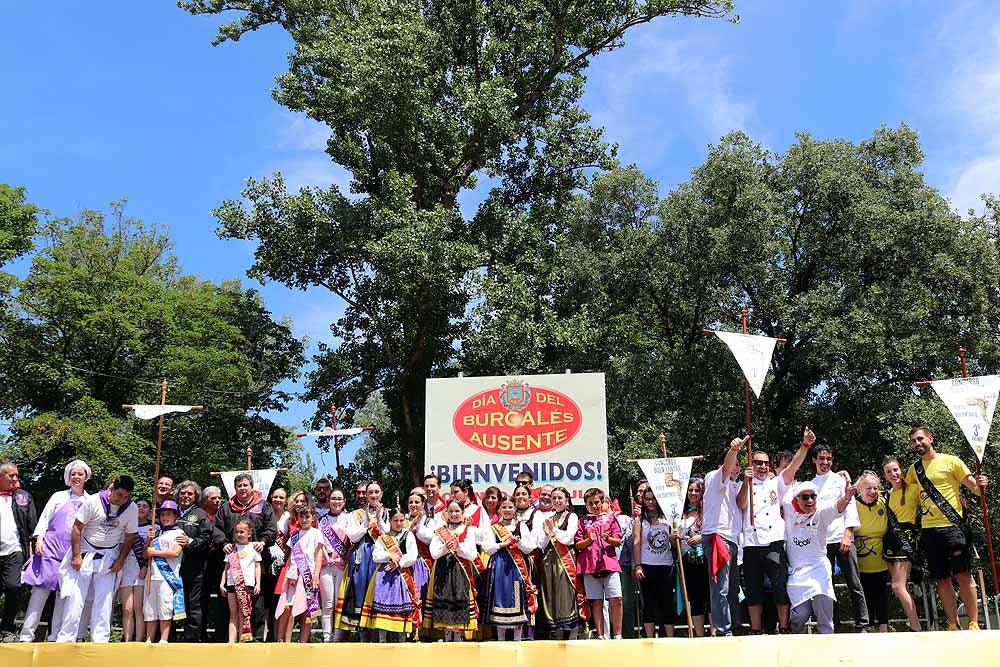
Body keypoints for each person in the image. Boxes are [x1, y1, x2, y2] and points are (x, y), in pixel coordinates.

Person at [906, 426, 988, 630]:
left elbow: (976, 490)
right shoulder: (913, 470)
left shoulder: (951, 461)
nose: (917, 443)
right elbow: (903, 495)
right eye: (914, 441)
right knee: (941, 579)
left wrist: (982, 484)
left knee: (963, 575)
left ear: (930, 438)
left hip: (953, 527)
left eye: (920, 439)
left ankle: (974, 622)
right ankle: (953, 623)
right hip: (928, 530)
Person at [778, 427, 857, 634]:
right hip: (797, 573)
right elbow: (792, 469)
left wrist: (847, 497)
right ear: (795, 499)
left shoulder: (820, 513)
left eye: (813, 497)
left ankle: (828, 647)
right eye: (805, 497)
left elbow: (837, 508)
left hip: (819, 568)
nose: (810, 501)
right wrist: (805, 446)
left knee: (825, 614)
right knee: (800, 616)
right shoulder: (787, 506)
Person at [56, 475, 138, 643]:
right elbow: (77, 528)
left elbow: (130, 536)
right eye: (119, 495)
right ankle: (66, 638)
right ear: (112, 488)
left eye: (126, 497)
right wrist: (76, 555)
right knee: (75, 599)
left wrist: (121, 560)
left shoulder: (131, 508)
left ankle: (100, 639)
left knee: (105, 599)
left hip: (109, 556)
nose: (121, 500)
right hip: (85, 553)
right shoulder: (93, 501)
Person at [19, 460, 89, 643]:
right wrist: (39, 539)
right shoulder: (58, 497)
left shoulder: (90, 501)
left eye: (80, 474)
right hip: (49, 550)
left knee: (63, 595)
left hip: (72, 553)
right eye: (73, 474)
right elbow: (44, 518)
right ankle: (26, 636)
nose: (76, 477)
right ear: (68, 476)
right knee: (40, 592)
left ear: (86, 477)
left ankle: (55, 637)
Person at [809, 442, 868, 632]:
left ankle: (863, 625)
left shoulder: (841, 480)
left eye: (828, 459)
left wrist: (848, 534)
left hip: (843, 537)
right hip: (822, 543)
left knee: (854, 583)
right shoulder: (810, 485)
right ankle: (834, 625)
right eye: (821, 459)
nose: (825, 462)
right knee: (828, 587)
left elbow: (850, 507)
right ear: (814, 460)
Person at [215, 473, 277, 641]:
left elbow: (272, 529)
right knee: (230, 609)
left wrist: (263, 542)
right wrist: (223, 543)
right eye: (239, 486)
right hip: (233, 563)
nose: (242, 488)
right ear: (235, 489)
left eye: (245, 485)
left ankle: (254, 640)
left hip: (256, 563)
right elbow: (217, 529)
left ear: (252, 487)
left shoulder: (264, 506)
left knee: (256, 605)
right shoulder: (226, 507)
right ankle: (230, 642)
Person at [737, 449, 790, 634]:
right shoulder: (743, 484)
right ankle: (755, 628)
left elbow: (793, 468)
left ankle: (784, 626)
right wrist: (746, 482)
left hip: (774, 541)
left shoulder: (775, 483)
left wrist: (805, 446)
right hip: (752, 543)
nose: (763, 466)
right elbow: (741, 504)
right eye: (759, 463)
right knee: (753, 588)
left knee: (780, 585)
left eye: (766, 463)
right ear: (751, 465)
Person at [702, 436, 745, 636]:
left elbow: (742, 504)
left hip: (733, 540)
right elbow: (726, 468)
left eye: (739, 465)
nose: (736, 468)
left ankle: (734, 626)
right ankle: (722, 629)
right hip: (718, 536)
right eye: (734, 463)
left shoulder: (735, 485)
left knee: (733, 587)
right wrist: (733, 450)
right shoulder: (714, 477)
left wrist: (749, 481)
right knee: (722, 587)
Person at [480, 494, 536, 640]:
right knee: (500, 596)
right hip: (499, 565)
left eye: (510, 507)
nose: (507, 510)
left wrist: (518, 544)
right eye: (504, 507)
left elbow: (530, 547)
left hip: (517, 567)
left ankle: (517, 637)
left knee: (517, 595)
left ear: (515, 508)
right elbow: (487, 547)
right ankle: (501, 638)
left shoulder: (521, 526)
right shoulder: (494, 528)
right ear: (499, 509)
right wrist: (502, 544)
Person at [337, 480, 390, 635]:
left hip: (380, 555)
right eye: (370, 492)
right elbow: (352, 536)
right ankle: (363, 636)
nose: (373, 495)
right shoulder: (357, 514)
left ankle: (379, 636)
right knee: (361, 590)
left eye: (376, 492)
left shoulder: (388, 513)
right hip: (363, 554)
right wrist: (367, 522)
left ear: (381, 494)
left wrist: (379, 519)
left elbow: (388, 534)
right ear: (366, 495)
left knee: (379, 592)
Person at [424, 499, 480, 641]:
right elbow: (434, 553)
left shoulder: (469, 530)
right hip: (443, 569)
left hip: (460, 570)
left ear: (462, 512)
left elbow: (472, 554)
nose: (454, 514)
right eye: (451, 511)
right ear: (446, 513)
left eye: (457, 511)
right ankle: (447, 636)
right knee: (444, 597)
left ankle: (458, 636)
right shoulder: (440, 531)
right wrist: (446, 547)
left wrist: (458, 546)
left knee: (460, 597)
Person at [362, 507, 420, 641]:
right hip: (385, 576)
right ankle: (382, 639)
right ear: (390, 521)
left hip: (402, 575)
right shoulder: (384, 538)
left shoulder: (408, 535)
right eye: (395, 520)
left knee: (402, 607)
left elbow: (412, 555)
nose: (398, 523)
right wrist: (389, 555)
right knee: (383, 605)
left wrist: (399, 562)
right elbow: (376, 556)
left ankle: (402, 640)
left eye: (401, 520)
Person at [536, 486, 584, 639]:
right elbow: (541, 544)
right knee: (551, 592)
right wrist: (547, 533)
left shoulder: (572, 516)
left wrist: (553, 531)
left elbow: (568, 538)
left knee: (567, 592)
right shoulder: (548, 518)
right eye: (554, 498)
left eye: (560, 498)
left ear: (566, 500)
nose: (556, 501)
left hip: (565, 557)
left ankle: (572, 630)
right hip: (549, 558)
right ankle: (556, 629)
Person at [575, 489, 622, 639]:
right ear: (586, 505)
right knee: (596, 601)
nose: (594, 506)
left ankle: (618, 635)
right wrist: (589, 540)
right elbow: (578, 545)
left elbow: (618, 540)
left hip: (609, 563)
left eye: (597, 502)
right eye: (590, 503)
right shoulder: (582, 521)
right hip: (590, 565)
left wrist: (608, 539)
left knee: (617, 598)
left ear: (602, 502)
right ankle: (601, 635)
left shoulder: (610, 519)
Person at [881, 457, 922, 631]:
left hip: (906, 537)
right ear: (885, 475)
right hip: (889, 539)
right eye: (889, 472)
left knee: (897, 586)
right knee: (901, 586)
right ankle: (913, 623)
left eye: (895, 470)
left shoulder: (913, 489)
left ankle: (916, 626)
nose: (893, 474)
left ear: (901, 470)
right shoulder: (887, 494)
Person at [276, 502, 325, 642]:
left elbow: (319, 555)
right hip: (294, 575)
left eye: (307, 516)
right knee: (287, 608)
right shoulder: (295, 536)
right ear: (297, 518)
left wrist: (315, 576)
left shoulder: (317, 533)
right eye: (301, 517)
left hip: (309, 575)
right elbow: (291, 556)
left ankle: (303, 641)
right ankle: (283, 640)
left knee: (307, 609)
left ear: (313, 517)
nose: (304, 519)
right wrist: (290, 573)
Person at [0, 462, 36, 643]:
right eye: (11, 475)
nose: (15, 478)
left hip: (15, 550)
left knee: (14, 588)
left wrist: (32, 550)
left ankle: (7, 628)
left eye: (16, 475)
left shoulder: (24, 497)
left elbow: (32, 527)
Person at [632, 487, 675, 637]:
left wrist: (675, 537)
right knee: (648, 603)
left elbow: (673, 542)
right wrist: (637, 565)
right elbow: (636, 542)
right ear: (643, 501)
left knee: (667, 603)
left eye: (653, 498)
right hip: (646, 565)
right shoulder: (639, 519)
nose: (650, 502)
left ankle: (670, 638)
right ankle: (649, 638)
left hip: (666, 565)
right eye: (647, 499)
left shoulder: (667, 517)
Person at [174, 480, 214, 642]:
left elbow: (207, 539)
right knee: (168, 604)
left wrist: (190, 542)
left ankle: (191, 641)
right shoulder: (170, 511)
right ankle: (167, 639)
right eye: (182, 493)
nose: (185, 496)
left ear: (196, 496)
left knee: (193, 605)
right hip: (169, 568)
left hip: (194, 568)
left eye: (189, 493)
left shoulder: (201, 514)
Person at [144, 499, 186, 643]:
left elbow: (175, 553)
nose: (165, 517)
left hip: (167, 577)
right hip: (152, 575)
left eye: (169, 514)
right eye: (163, 514)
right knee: (150, 610)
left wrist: (154, 552)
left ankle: (163, 639)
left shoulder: (179, 533)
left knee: (165, 608)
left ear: (175, 516)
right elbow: (146, 554)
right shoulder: (156, 532)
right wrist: (148, 541)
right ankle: (149, 639)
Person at [853, 472, 890, 632]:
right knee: (865, 595)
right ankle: (868, 627)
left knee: (882, 594)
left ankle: (883, 626)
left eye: (875, 488)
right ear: (860, 489)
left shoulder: (883, 502)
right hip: (860, 560)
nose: (872, 491)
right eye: (868, 488)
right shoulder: (852, 506)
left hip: (881, 558)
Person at [673, 478, 709, 636]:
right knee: (694, 598)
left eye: (697, 490)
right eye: (690, 490)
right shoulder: (679, 513)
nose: (693, 493)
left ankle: (714, 632)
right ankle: (699, 634)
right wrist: (673, 538)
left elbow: (716, 530)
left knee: (709, 596)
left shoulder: (707, 510)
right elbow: (675, 541)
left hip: (706, 558)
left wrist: (701, 537)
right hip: (687, 560)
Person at [315, 483, 350, 642]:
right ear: (329, 501)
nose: (336, 501)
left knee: (338, 604)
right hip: (326, 566)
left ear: (344, 501)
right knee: (327, 605)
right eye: (333, 498)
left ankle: (337, 638)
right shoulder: (321, 521)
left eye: (339, 499)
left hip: (342, 566)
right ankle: (326, 638)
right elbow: (319, 544)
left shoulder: (349, 518)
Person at [221, 519, 261, 643]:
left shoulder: (253, 547)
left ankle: (242, 641)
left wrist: (258, 583)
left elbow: (257, 566)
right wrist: (222, 583)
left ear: (249, 533)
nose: (239, 534)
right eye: (237, 532)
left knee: (244, 613)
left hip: (247, 584)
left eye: (242, 532)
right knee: (233, 614)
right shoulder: (231, 548)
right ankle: (231, 642)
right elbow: (226, 568)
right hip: (232, 583)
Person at [119, 498, 152, 642]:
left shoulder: (152, 528)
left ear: (150, 510)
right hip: (126, 568)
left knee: (139, 607)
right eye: (138, 505)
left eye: (145, 506)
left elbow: (152, 551)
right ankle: (127, 640)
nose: (141, 508)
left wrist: (145, 565)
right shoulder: (125, 527)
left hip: (141, 570)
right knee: (127, 609)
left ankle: (138, 640)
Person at [199, 485, 228, 642]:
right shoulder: (199, 515)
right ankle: (201, 636)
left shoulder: (224, 514)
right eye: (213, 498)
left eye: (219, 498)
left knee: (223, 599)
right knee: (201, 600)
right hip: (202, 564)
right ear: (205, 500)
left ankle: (221, 637)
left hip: (220, 562)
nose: (217, 501)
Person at [263, 486, 288, 641]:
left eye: (281, 497)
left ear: (286, 500)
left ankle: (279, 636)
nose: (278, 500)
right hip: (266, 563)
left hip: (284, 565)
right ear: (271, 498)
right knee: (265, 601)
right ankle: (266, 635)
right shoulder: (265, 515)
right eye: (276, 497)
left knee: (279, 601)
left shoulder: (289, 517)